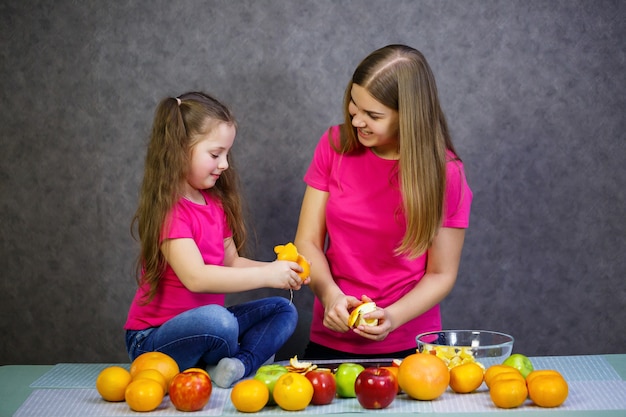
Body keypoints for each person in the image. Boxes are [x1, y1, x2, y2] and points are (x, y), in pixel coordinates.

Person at [295, 45, 473, 359]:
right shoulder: (334, 145)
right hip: (331, 343)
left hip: (413, 347)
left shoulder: (447, 174)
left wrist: (392, 317)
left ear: (409, 117)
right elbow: (307, 241)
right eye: (354, 106)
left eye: (373, 115)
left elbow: (441, 273)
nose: (357, 121)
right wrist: (330, 294)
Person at [124, 92, 307, 388]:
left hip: (210, 328)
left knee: (283, 310)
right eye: (215, 154)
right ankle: (238, 353)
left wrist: (278, 270)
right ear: (180, 149)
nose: (224, 164)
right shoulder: (169, 210)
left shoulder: (215, 205)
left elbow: (232, 261)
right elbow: (196, 278)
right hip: (153, 340)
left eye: (226, 154)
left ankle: (236, 365)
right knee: (218, 320)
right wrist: (266, 275)